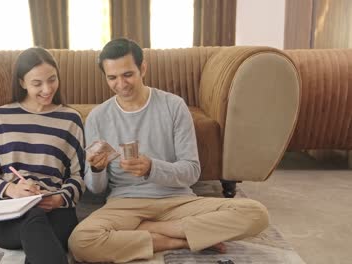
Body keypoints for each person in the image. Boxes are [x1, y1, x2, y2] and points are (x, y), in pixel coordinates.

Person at [68, 38, 269, 263]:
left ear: (143, 68)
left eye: (128, 74)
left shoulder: (173, 106)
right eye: (112, 77)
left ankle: (152, 229)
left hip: (177, 200)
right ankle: (179, 239)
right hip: (124, 203)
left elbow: (192, 171)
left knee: (256, 213)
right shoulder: (98, 117)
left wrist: (152, 167)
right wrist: (96, 169)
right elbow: (97, 189)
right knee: (81, 242)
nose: (121, 84)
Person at [0, 47, 85, 264]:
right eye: (37, 83)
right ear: (22, 82)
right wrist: (12, 190)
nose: (47, 89)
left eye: (52, 79)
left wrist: (57, 199)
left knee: (40, 232)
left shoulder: (71, 120)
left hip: (55, 210)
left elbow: (79, 177)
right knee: (35, 221)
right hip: (6, 213)